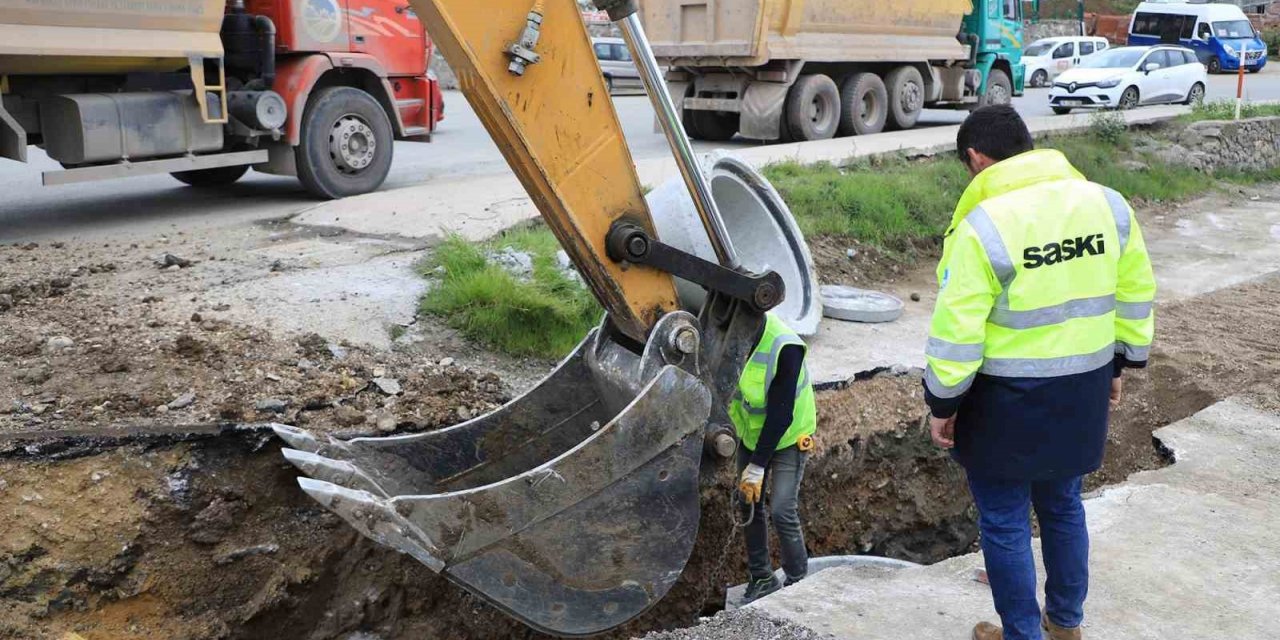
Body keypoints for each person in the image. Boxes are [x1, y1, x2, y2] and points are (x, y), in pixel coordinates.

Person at [923, 105, 1156, 640]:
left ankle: (1023, 634)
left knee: (1004, 521)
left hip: (1004, 399)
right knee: (1063, 505)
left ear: (976, 158)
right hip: (1083, 389)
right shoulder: (1108, 205)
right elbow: (1135, 293)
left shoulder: (983, 226)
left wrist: (943, 404)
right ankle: (1065, 624)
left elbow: (958, 333)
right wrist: (1120, 364)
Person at [730, 311, 817, 603]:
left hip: (789, 435)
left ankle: (797, 580)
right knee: (747, 501)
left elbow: (780, 416)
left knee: (782, 508)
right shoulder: (729, 332)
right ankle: (762, 577)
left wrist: (756, 465)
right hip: (750, 432)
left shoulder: (785, 347)